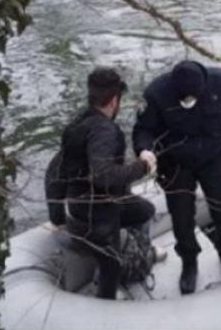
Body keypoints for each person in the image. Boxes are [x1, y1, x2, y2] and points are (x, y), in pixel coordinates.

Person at [133, 60, 221, 294]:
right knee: (181, 215)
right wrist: (144, 150)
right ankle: (189, 261)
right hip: (175, 162)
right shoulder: (156, 93)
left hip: (212, 156)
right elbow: (143, 129)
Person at [45, 67, 159, 300]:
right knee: (111, 267)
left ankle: (139, 253)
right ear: (115, 100)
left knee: (145, 210)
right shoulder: (106, 131)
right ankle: (109, 297)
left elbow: (53, 173)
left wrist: (57, 217)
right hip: (101, 219)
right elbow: (103, 176)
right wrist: (142, 166)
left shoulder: (78, 125)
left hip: (78, 213)